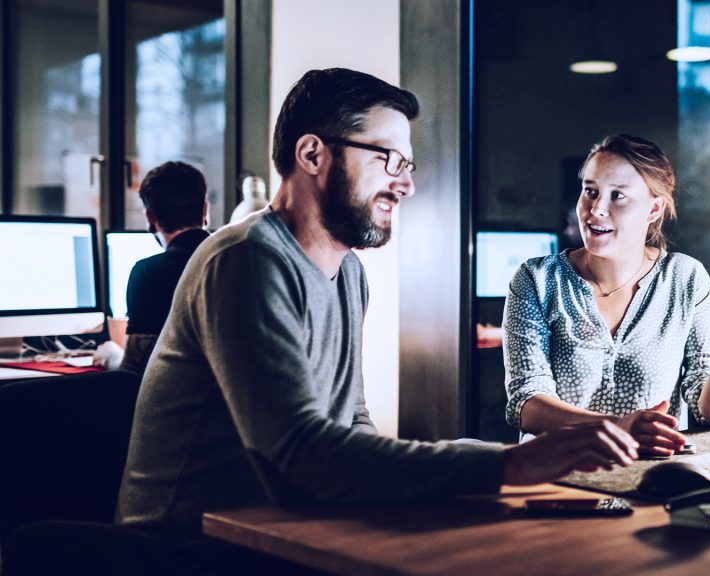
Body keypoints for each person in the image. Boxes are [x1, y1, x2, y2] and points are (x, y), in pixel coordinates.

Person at [115, 69, 638, 573]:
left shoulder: (348, 273)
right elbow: (301, 455)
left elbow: (352, 421)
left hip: (293, 533)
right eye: (389, 160)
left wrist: (488, 460)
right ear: (312, 154)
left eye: (407, 165)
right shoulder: (247, 259)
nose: (405, 185)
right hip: (192, 551)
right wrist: (510, 465)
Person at [503, 134, 710, 457]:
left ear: (653, 209)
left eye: (618, 196)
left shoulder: (685, 278)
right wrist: (617, 428)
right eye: (590, 191)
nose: (597, 209)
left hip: (651, 476)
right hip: (553, 475)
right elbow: (527, 403)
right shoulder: (537, 279)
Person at [121, 161, 210, 375]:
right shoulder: (231, 259)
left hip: (176, 392)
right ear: (205, 209)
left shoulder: (148, 273)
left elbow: (135, 369)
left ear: (149, 217)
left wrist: (111, 356)